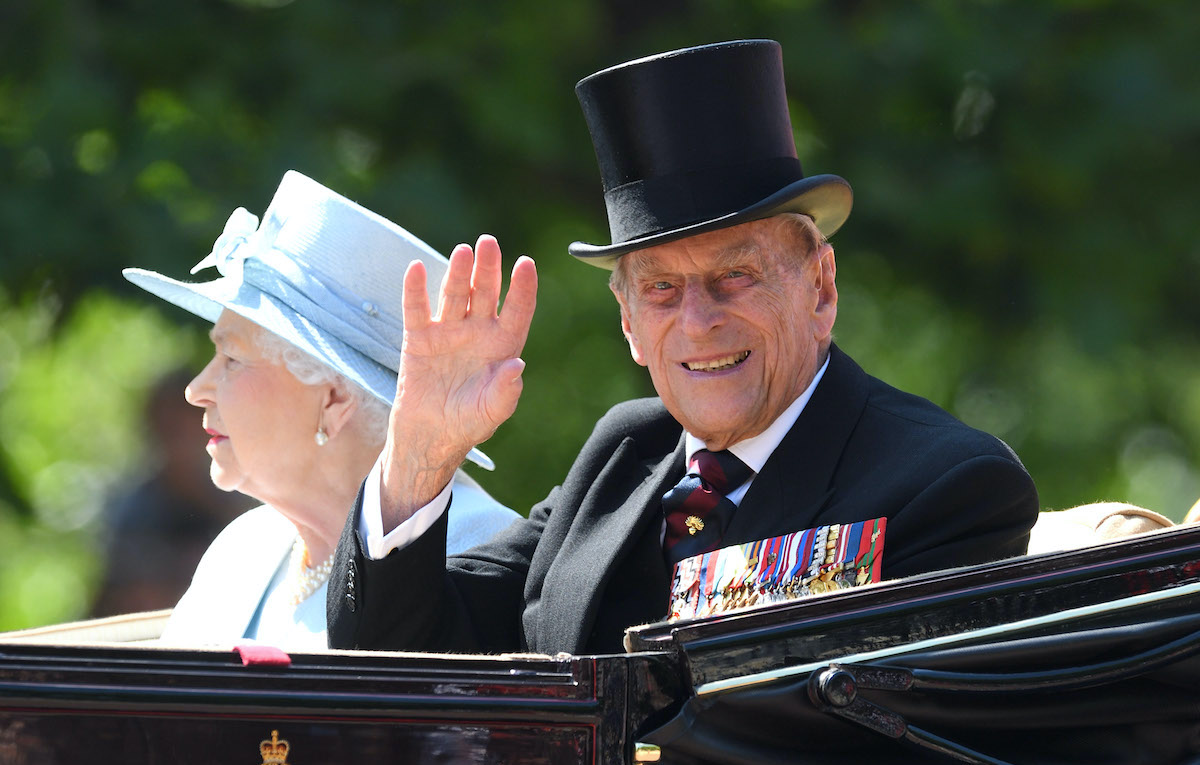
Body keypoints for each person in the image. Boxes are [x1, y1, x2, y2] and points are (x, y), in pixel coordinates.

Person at [326, 40, 1039, 656]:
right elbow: (399, 663)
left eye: (735, 276)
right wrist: (419, 457)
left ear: (820, 288)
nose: (698, 322)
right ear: (629, 322)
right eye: (662, 289)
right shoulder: (623, 455)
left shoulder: (946, 487)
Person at [122, 171, 519, 650]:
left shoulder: (480, 553)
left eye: (231, 359)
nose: (196, 390)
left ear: (333, 401)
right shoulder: (244, 548)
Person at [91, 367, 254, 617]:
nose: (176, 438)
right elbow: (118, 595)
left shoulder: (245, 495)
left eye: (182, 424)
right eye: (166, 426)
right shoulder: (134, 509)